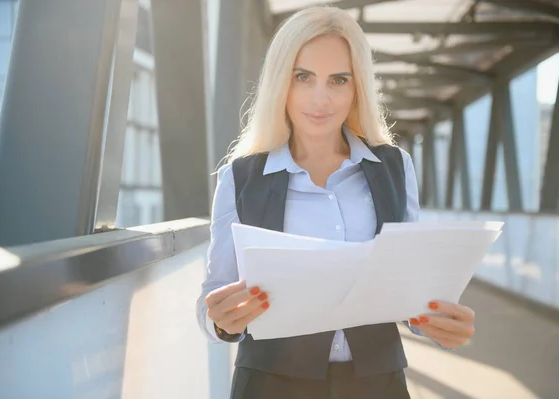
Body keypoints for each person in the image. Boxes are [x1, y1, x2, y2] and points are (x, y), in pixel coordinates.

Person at [197, 6, 476, 399]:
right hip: (271, 385)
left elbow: (411, 287)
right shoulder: (241, 177)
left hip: (378, 384)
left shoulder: (395, 168)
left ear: (357, 86)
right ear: (282, 82)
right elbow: (214, 298)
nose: (320, 98)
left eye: (338, 80)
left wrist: (439, 321)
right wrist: (222, 320)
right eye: (303, 77)